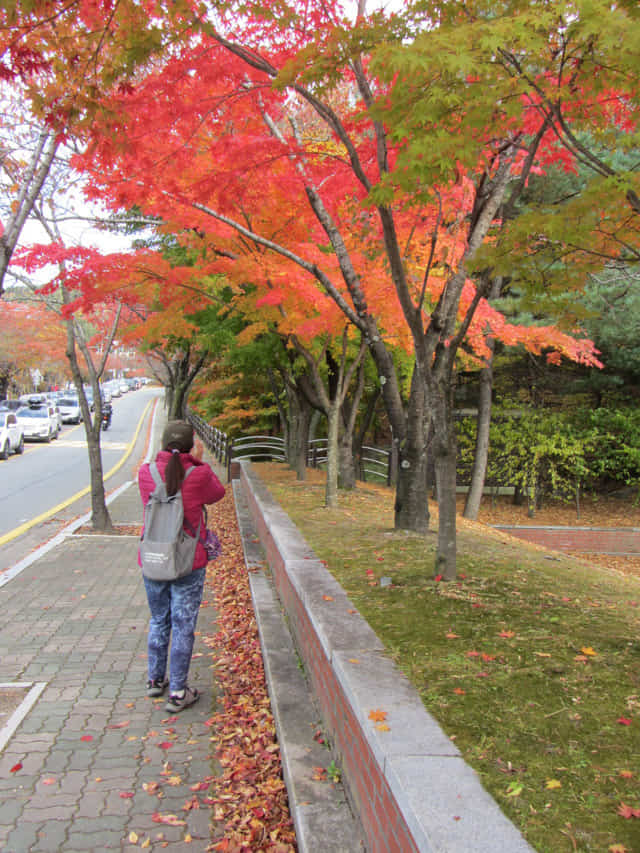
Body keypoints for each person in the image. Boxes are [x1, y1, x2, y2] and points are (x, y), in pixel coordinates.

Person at [138, 420, 225, 712]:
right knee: (183, 625)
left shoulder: (145, 472)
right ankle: (177, 691)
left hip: (153, 558)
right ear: (190, 444)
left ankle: (154, 680)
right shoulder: (199, 474)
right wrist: (198, 459)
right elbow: (218, 494)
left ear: (163, 443)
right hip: (188, 561)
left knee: (159, 619)